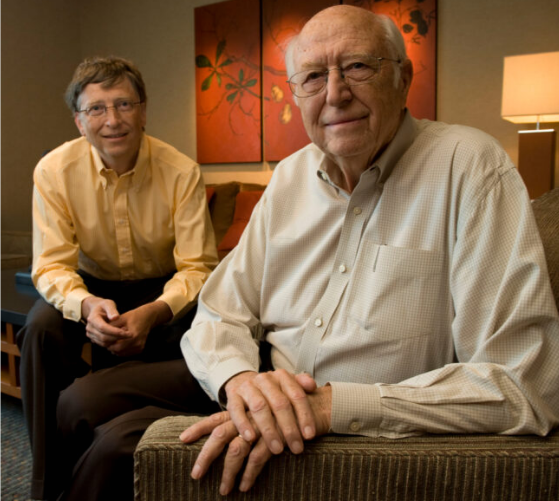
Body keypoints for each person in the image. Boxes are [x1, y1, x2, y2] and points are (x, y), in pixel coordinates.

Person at [55, 5, 559, 500]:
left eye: (358, 67)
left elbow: (522, 385)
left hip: (358, 415)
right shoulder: (291, 176)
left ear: (402, 78)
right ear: (296, 93)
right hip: (266, 375)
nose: (335, 94)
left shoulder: (469, 166)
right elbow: (219, 310)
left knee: (118, 450)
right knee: (81, 401)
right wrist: (240, 381)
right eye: (314, 76)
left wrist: (329, 407)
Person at [15, 55, 219, 501]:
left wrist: (155, 311)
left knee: (207, 328)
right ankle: (47, 483)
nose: (113, 120)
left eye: (124, 104)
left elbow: (197, 267)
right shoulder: (53, 170)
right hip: (91, 286)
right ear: (79, 121)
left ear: (143, 111)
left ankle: (156, 458)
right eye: (97, 109)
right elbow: (50, 265)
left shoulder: (181, 171)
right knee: (40, 330)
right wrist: (86, 304)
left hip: (162, 289)